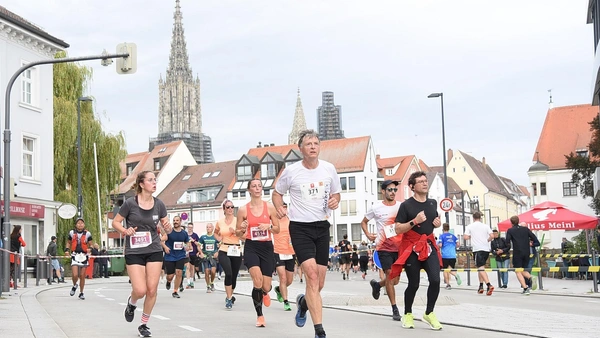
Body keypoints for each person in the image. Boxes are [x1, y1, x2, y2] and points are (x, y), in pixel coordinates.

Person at [273, 129, 341, 338]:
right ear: (301, 148)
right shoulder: (292, 171)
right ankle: (319, 331)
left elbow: (336, 193)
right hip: (300, 228)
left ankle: (303, 303)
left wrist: (335, 201)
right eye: (308, 143)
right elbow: (277, 193)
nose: (313, 146)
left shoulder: (329, 169)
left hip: (322, 227)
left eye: (316, 143)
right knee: (311, 275)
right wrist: (280, 208)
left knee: (318, 283)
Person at [112, 170, 172, 338]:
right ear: (141, 184)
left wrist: (168, 228)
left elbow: (166, 225)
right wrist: (126, 230)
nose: (154, 183)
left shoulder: (159, 204)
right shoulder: (130, 204)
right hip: (134, 251)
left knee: (152, 290)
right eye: (151, 180)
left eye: (155, 180)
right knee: (140, 290)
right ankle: (132, 303)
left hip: (153, 249)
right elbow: (115, 222)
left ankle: (144, 324)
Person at [391, 171, 443, 331]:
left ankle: (429, 312)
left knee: (435, 280)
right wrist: (414, 221)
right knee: (414, 283)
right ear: (412, 187)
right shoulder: (406, 205)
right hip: (411, 247)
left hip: (428, 245)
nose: (425, 183)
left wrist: (437, 223)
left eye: (425, 181)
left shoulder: (433, 203)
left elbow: (432, 224)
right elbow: (398, 228)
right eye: (420, 181)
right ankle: (407, 313)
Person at [237, 179, 280, 327]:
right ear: (249, 190)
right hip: (251, 247)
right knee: (257, 280)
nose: (257, 188)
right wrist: (242, 228)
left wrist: (269, 226)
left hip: (267, 247)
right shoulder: (243, 210)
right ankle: (260, 316)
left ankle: (264, 292)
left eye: (259, 186)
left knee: (266, 286)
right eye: (254, 186)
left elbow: (277, 229)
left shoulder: (269, 208)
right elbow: (237, 232)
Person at [361, 179, 402, 321]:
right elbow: (363, 221)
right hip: (384, 247)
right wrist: (367, 234)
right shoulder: (376, 207)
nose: (393, 192)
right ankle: (395, 308)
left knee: (395, 280)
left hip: (399, 247)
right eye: (390, 190)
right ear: (383, 191)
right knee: (390, 276)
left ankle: (377, 285)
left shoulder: (401, 206)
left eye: (395, 190)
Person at [215, 199, 242, 309]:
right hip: (224, 249)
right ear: (224, 209)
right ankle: (229, 298)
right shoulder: (220, 222)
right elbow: (215, 233)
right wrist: (218, 238)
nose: (230, 209)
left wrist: (235, 232)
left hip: (236, 249)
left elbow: (243, 235)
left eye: (232, 207)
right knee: (229, 273)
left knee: (234, 276)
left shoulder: (238, 220)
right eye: (228, 207)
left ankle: (230, 294)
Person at [505, 217, 540, 295]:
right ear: (518, 221)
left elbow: (507, 242)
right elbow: (534, 238)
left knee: (517, 271)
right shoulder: (525, 229)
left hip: (517, 252)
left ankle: (525, 288)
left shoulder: (510, 230)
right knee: (523, 269)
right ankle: (531, 277)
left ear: (511, 222)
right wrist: (530, 243)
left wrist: (506, 248)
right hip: (527, 252)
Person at [463, 212, 494, 296]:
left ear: (473, 218)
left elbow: (465, 237)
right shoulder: (485, 226)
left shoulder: (470, 226)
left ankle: (488, 284)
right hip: (486, 249)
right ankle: (481, 286)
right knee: (481, 267)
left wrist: (470, 236)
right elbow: (492, 236)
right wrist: (487, 240)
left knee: (480, 268)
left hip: (477, 249)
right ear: (480, 218)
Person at [273, 202, 296, 311]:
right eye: (282, 208)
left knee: (289, 280)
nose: (284, 210)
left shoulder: (290, 219)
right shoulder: (273, 220)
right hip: (278, 251)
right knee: (282, 277)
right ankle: (286, 302)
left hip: (290, 252)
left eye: (285, 208)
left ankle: (279, 289)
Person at [163, 215, 190, 298]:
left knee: (179, 273)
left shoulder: (184, 233)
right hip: (170, 256)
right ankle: (168, 281)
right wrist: (165, 247)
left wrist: (187, 247)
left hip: (180, 256)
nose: (175, 222)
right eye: (174, 220)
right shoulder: (169, 232)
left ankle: (175, 291)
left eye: (177, 220)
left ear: (180, 222)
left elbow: (187, 243)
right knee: (170, 276)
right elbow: (161, 241)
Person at [68, 218, 93, 300]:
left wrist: (90, 249)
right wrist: (66, 250)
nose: (80, 224)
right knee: (75, 274)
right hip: (75, 255)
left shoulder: (88, 234)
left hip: (84, 255)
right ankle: (75, 285)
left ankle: (81, 292)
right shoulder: (72, 233)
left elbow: (91, 244)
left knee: (82, 275)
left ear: (84, 225)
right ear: (76, 225)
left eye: (82, 223)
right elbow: (68, 242)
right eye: (78, 223)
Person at [438, 223, 461, 290]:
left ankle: (448, 284)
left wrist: (438, 246)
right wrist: (453, 246)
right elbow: (458, 244)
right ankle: (455, 274)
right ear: (449, 228)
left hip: (445, 255)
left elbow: (440, 245)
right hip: (453, 255)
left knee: (445, 270)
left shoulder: (442, 236)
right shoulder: (453, 236)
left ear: (443, 229)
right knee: (450, 269)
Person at [199, 223, 219, 293]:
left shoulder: (215, 237)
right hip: (206, 256)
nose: (208, 228)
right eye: (207, 227)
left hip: (213, 256)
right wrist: (201, 252)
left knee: (213, 271)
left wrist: (218, 252)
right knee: (207, 271)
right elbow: (198, 246)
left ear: (212, 228)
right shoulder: (203, 237)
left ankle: (212, 282)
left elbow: (221, 244)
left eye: (210, 227)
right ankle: (208, 286)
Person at [185, 222, 201, 289]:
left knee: (192, 268)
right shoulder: (185, 235)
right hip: (187, 253)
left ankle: (191, 281)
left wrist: (193, 241)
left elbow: (199, 244)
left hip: (193, 253)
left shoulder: (195, 235)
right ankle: (188, 282)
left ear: (193, 228)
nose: (190, 229)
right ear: (187, 228)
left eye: (191, 227)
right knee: (187, 268)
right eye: (189, 227)